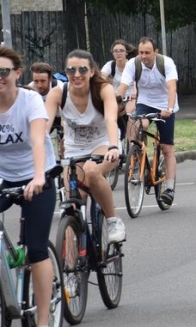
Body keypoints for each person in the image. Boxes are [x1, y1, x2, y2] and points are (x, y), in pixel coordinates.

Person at [0, 47, 57, 327]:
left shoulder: (31, 100)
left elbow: (37, 140)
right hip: (5, 179)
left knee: (36, 250)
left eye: (4, 72)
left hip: (38, 176)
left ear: (16, 73)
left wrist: (37, 177)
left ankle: (43, 320)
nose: (0, 77)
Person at [45, 49, 125, 244]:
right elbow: (43, 127)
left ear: (91, 71)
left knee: (91, 171)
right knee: (71, 205)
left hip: (103, 144)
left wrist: (113, 147)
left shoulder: (102, 89)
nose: (77, 75)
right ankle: (73, 264)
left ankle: (113, 220)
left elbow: (110, 119)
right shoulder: (57, 93)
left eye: (82, 69)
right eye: (71, 70)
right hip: (73, 151)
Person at [116, 37, 180, 206]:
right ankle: (136, 156)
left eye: (147, 53)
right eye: (141, 52)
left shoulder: (166, 63)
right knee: (137, 124)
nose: (143, 56)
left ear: (155, 52)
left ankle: (170, 188)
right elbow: (123, 86)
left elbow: (172, 87)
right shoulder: (134, 64)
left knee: (167, 147)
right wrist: (113, 101)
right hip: (144, 103)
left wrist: (170, 108)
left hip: (166, 105)